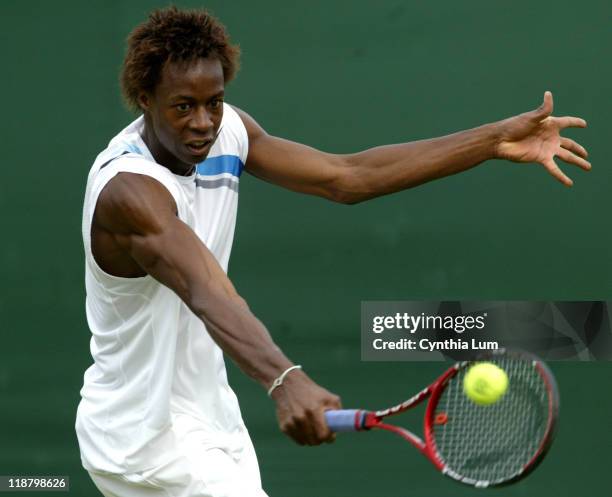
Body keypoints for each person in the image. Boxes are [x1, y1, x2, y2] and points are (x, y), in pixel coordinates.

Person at [75, 6, 590, 497]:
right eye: (183, 106)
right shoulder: (129, 191)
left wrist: (495, 139)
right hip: (145, 437)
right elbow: (206, 290)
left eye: (215, 101)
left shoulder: (227, 130)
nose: (205, 122)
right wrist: (284, 378)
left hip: (213, 423)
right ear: (144, 97)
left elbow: (349, 177)